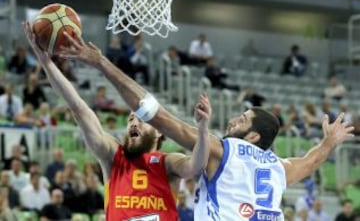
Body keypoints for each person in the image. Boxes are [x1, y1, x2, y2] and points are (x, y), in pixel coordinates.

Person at [60, 31, 354, 220]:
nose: (231, 119)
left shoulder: (224, 150)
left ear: (252, 135)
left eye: (241, 119)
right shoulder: (280, 167)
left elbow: (156, 115)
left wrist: (102, 64)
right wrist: (330, 141)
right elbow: (312, 160)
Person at [23, 22, 211, 220]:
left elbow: (196, 166)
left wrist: (203, 128)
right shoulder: (113, 156)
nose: (134, 123)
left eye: (141, 119)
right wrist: (46, 62)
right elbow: (79, 109)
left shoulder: (167, 163)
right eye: (130, 119)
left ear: (159, 131)